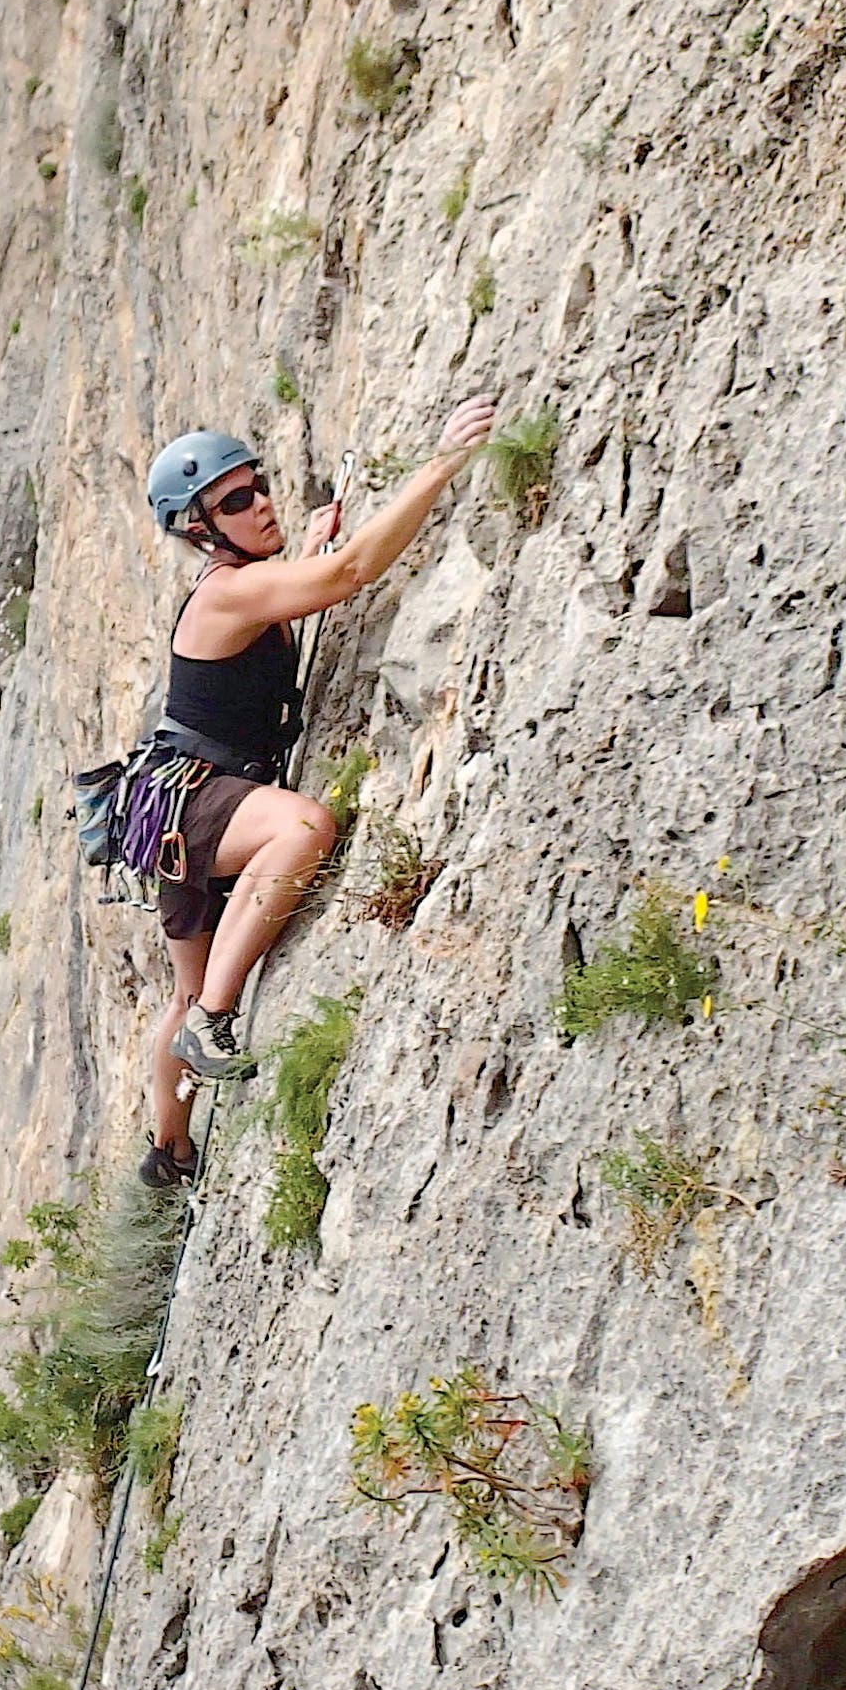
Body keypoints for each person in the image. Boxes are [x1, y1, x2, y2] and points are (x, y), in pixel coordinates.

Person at [134, 397, 498, 1191]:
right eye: (235, 502)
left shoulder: (243, 582)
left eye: (257, 486)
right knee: (305, 826)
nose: (259, 502)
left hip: (166, 810)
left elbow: (300, 588)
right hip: (196, 800)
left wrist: (297, 551)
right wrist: (441, 464)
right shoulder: (229, 592)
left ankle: (170, 1153)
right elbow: (348, 574)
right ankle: (214, 1026)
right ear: (201, 528)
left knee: (184, 984)